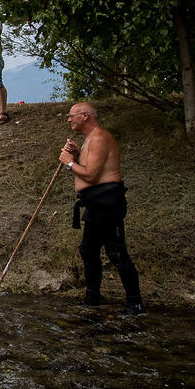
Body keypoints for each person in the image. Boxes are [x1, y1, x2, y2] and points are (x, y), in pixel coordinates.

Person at [59, 102, 145, 314]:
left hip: (107, 203)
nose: (69, 119)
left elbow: (91, 175)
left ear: (85, 116)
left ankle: (135, 304)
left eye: (72, 116)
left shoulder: (99, 137)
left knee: (116, 252)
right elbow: (88, 167)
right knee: (88, 250)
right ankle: (92, 298)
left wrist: (69, 163)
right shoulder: (90, 138)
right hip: (95, 204)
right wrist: (76, 154)